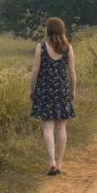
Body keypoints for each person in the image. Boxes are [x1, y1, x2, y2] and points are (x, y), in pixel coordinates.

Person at [29, 16, 76, 175]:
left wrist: (31, 89)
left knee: (48, 126)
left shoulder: (41, 47)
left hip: (45, 90)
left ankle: (52, 162)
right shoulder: (68, 48)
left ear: (48, 30)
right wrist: (73, 91)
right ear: (62, 30)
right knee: (61, 127)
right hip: (62, 90)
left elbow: (35, 71)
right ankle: (60, 164)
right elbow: (72, 72)